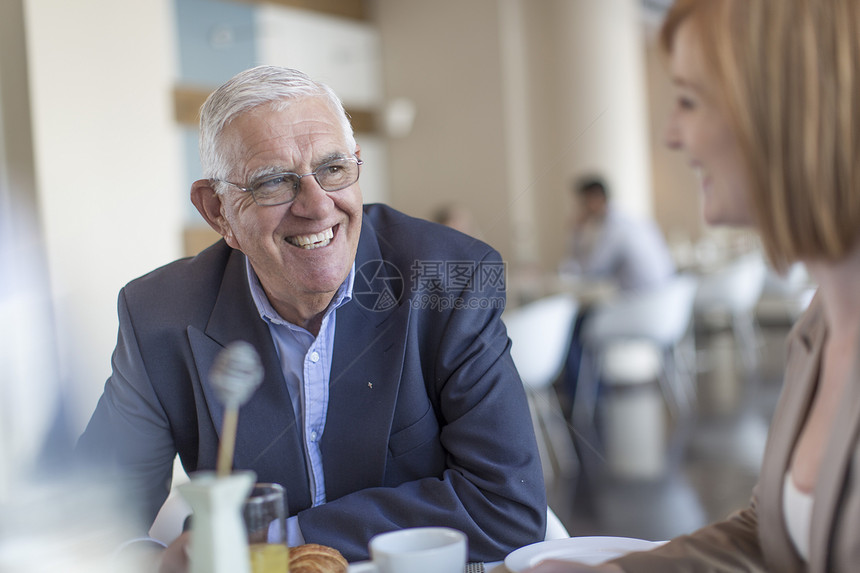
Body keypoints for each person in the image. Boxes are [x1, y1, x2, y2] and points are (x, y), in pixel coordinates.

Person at [76, 65, 546, 569]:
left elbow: (507, 509)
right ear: (218, 212)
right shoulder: (157, 316)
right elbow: (83, 518)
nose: (318, 206)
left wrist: (276, 540)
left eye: (334, 169)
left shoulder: (451, 280)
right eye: (274, 182)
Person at [526, 0, 860, 571]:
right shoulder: (819, 327)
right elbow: (774, 531)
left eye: (688, 100)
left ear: (789, 108)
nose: (671, 135)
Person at [560, 177, 675, 293]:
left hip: (644, 300)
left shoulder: (614, 227)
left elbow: (592, 271)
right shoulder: (629, 218)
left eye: (583, 203)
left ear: (595, 198)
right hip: (662, 295)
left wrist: (576, 232)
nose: (581, 209)